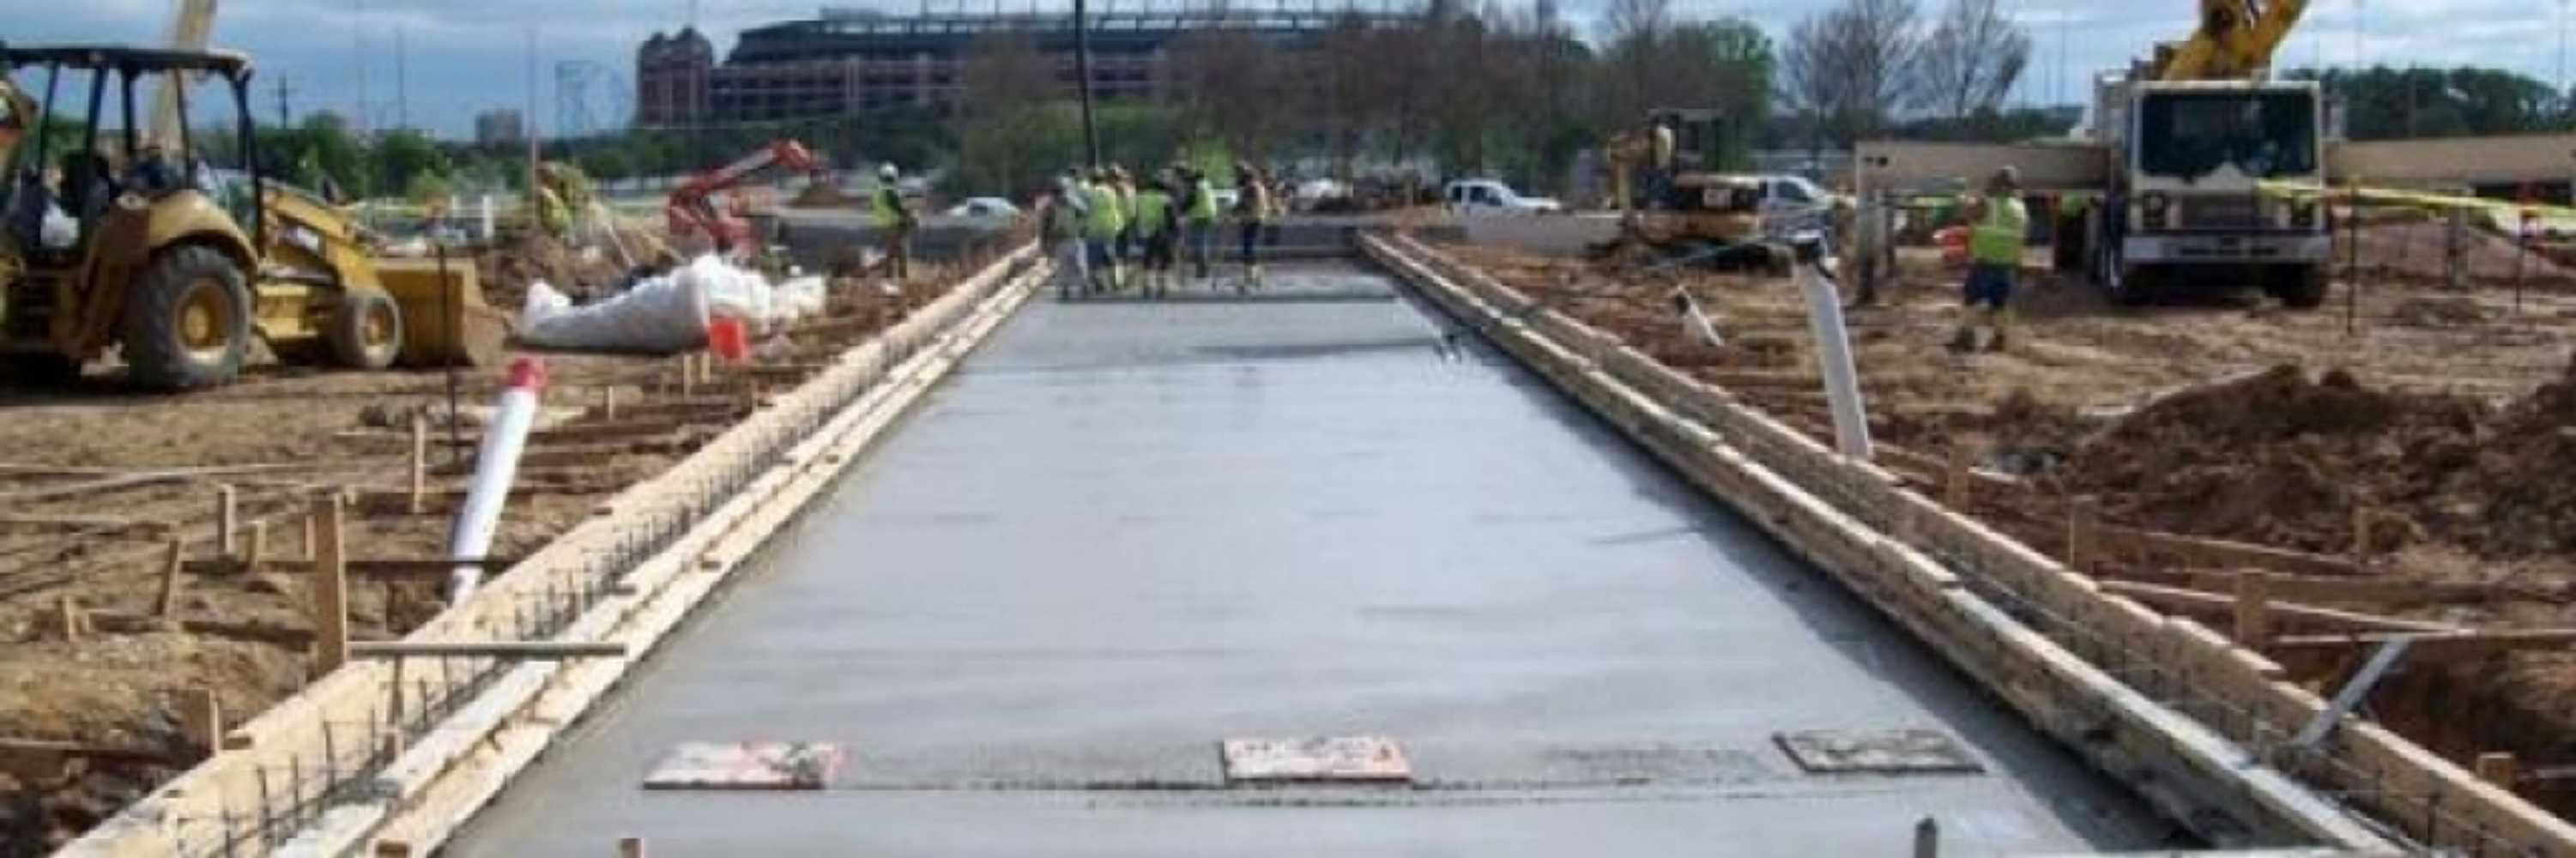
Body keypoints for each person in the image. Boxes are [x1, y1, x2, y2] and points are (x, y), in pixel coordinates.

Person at [1952, 166, 2029, 353]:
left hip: (1985, 261)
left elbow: (1967, 212)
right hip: (2006, 264)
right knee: (2000, 303)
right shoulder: (2019, 207)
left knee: (1971, 298)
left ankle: (1966, 337)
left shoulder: (1987, 204)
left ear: (1997, 184)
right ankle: (2000, 339)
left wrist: (1961, 193)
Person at [1046, 168, 1091, 299]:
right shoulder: (1051, 206)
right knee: (1063, 266)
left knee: (1080, 264)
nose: (1058, 195)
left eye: (1060, 191)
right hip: (1060, 239)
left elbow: (1084, 214)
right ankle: (1064, 289)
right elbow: (1047, 223)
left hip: (1075, 237)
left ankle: (1084, 287)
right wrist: (1048, 239)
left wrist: (1082, 229)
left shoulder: (1074, 203)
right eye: (1056, 192)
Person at [1134, 171, 1179, 298]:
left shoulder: (1142, 197)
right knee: (1165, 259)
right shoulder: (1165, 199)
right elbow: (1172, 218)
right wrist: (1176, 233)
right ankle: (1162, 286)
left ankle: (1147, 286)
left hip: (1145, 231)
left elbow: (1136, 214)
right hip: (1162, 231)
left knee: (1148, 259)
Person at [1082, 166, 1128, 293]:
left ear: (1091, 180)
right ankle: (1117, 282)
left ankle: (1093, 283)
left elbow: (1084, 210)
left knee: (1093, 259)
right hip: (1111, 228)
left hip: (1094, 229)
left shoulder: (1089, 193)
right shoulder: (1111, 191)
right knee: (1112, 256)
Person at [872, 163, 918, 281]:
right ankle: (902, 277)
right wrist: (911, 216)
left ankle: (889, 276)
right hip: (894, 226)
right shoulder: (890, 192)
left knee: (891, 252)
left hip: (883, 226)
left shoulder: (878, 192)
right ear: (894, 177)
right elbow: (899, 209)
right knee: (901, 252)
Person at [1231, 161, 1271, 293]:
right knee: (1248, 247)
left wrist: (1232, 212)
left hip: (1253, 218)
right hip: (1253, 218)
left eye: (1237, 174)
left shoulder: (1251, 186)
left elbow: (1245, 203)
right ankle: (1256, 276)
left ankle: (1251, 277)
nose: (1236, 177)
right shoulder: (1254, 185)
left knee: (1248, 248)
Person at [1180, 164, 1219, 282]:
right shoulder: (1207, 184)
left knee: (1199, 243)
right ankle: (1203, 268)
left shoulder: (1197, 186)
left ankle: (1202, 270)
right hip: (1209, 214)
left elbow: (1190, 201)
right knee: (1203, 242)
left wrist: (1180, 211)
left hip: (1200, 215)